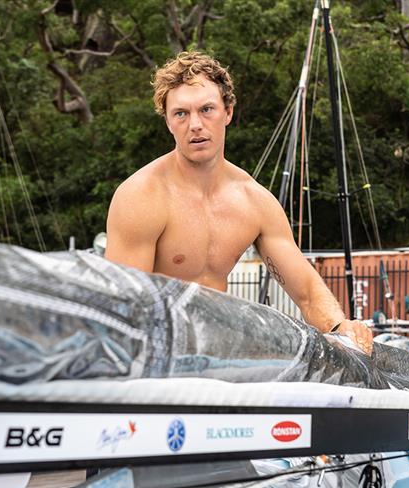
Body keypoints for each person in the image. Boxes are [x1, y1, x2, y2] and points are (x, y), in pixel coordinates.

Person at [105, 51, 373, 354]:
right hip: (156, 357)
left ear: (228, 112)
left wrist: (340, 327)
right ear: (167, 121)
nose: (195, 124)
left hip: (219, 358)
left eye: (207, 109)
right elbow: (125, 309)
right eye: (181, 113)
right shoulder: (142, 196)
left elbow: (308, 293)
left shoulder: (254, 201)